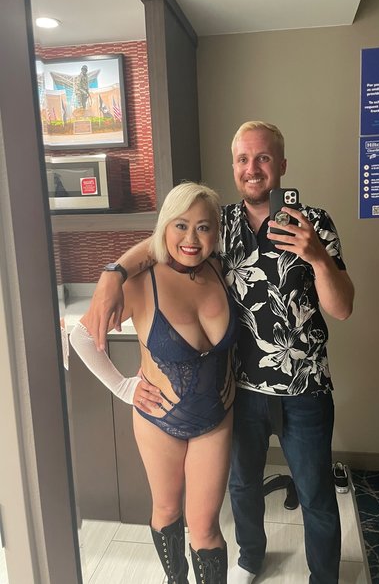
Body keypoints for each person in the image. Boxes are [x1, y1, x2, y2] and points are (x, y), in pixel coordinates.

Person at [85, 121, 355, 584]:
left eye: (263, 158)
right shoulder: (220, 224)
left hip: (304, 387)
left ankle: (325, 578)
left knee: (316, 494)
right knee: (243, 486)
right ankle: (250, 559)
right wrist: (113, 273)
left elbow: (343, 308)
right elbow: (161, 243)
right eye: (243, 159)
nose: (253, 168)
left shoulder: (314, 223)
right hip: (239, 389)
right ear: (233, 167)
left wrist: (316, 256)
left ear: (281, 165)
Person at [70, 182, 239, 584]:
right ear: (164, 226)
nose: (191, 238)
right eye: (181, 225)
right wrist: (123, 387)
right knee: (166, 510)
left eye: (203, 227)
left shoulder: (222, 271)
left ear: (216, 232)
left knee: (206, 528)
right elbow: (81, 336)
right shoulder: (140, 284)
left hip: (216, 419)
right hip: (159, 419)